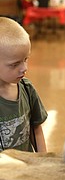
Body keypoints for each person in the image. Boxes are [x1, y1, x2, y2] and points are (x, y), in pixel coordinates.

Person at [0, 17, 48, 152]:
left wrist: (43, 161)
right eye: (15, 64)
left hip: (26, 169)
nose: (24, 68)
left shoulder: (27, 89)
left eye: (25, 59)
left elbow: (36, 129)